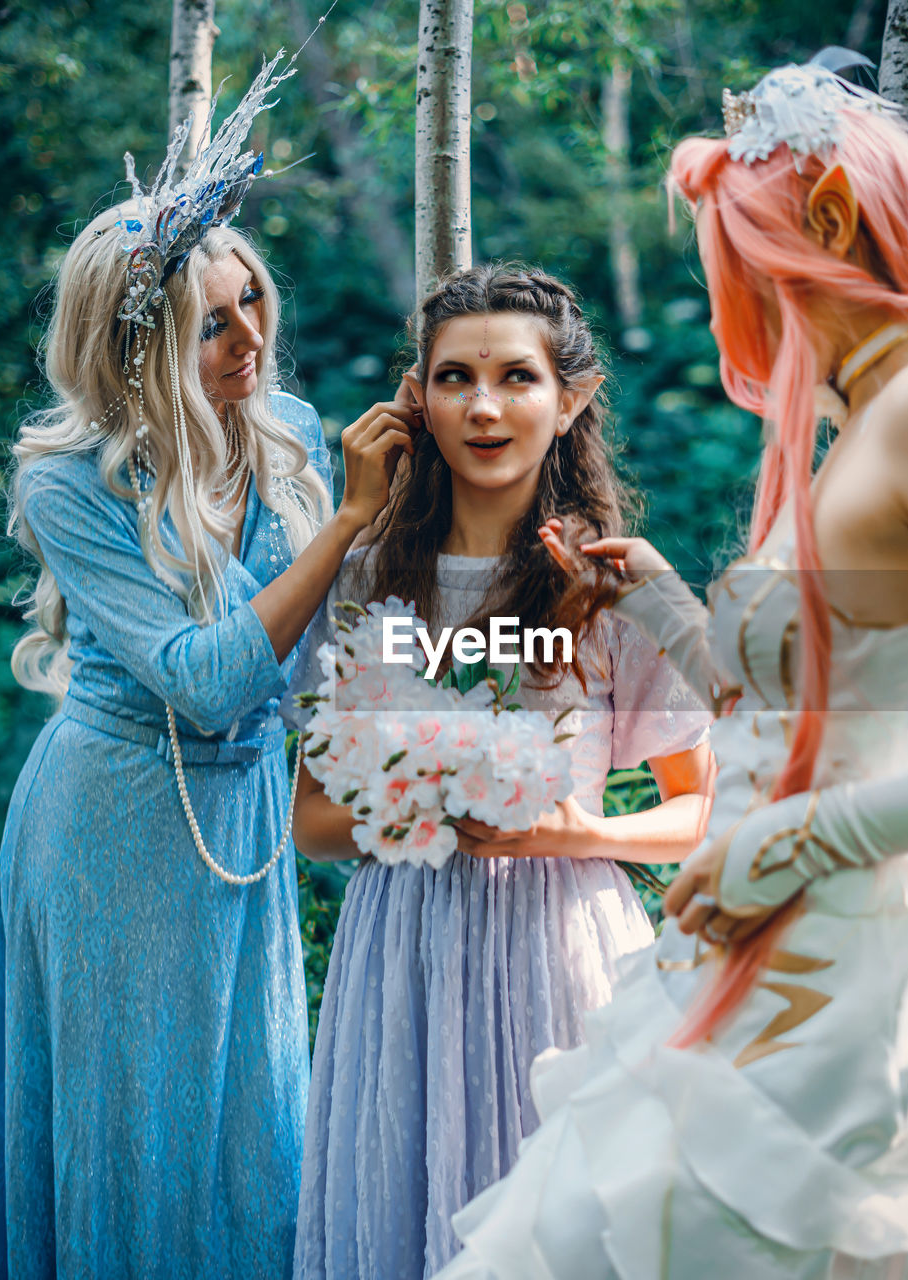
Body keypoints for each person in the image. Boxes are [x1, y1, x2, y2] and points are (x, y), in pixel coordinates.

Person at [434, 59, 908, 1279]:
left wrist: (803, 840)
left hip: (840, 1003)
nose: (739, 312)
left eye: (744, 267)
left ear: (830, 224)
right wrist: (672, 608)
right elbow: (815, 704)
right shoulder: (869, 427)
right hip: (743, 959)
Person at [0, 55, 416, 1279]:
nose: (250, 337)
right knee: (133, 1133)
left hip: (243, 817)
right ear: (139, 349)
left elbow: (316, 661)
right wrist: (342, 527)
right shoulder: (67, 482)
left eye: (254, 301)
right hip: (114, 824)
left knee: (252, 1126)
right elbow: (213, 677)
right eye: (211, 322)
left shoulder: (283, 440)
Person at [286, 264, 715, 1279]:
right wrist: (414, 802)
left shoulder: (613, 581)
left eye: (517, 377)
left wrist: (574, 830)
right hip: (404, 954)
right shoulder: (364, 576)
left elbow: (701, 811)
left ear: (569, 401)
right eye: (453, 378)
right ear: (416, 402)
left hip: (563, 950)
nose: (484, 405)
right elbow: (310, 819)